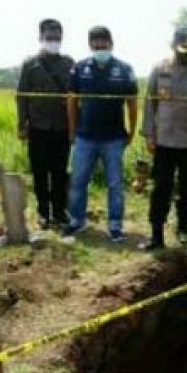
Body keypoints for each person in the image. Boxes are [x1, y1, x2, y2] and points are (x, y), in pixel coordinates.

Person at [139, 27, 187, 250]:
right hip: (164, 141)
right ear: (173, 46)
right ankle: (156, 235)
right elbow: (149, 103)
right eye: (183, 49)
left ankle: (183, 228)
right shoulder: (159, 69)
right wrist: (149, 134)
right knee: (161, 188)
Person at [63, 26, 138, 243]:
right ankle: (77, 221)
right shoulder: (79, 69)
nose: (99, 48)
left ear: (111, 44)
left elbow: (132, 105)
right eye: (95, 45)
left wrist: (131, 132)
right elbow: (71, 102)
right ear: (90, 45)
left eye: (103, 44)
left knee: (115, 184)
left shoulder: (124, 70)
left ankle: (115, 225)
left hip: (114, 138)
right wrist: (72, 132)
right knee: (78, 181)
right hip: (85, 137)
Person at [17, 19, 75, 231]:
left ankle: (59, 211)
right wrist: (21, 124)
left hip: (62, 128)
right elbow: (21, 96)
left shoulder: (69, 64)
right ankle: (43, 213)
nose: (54, 42)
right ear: (41, 38)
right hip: (38, 127)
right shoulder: (30, 64)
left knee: (60, 173)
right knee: (40, 173)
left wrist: (74, 126)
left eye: (57, 38)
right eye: (49, 38)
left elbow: (75, 97)